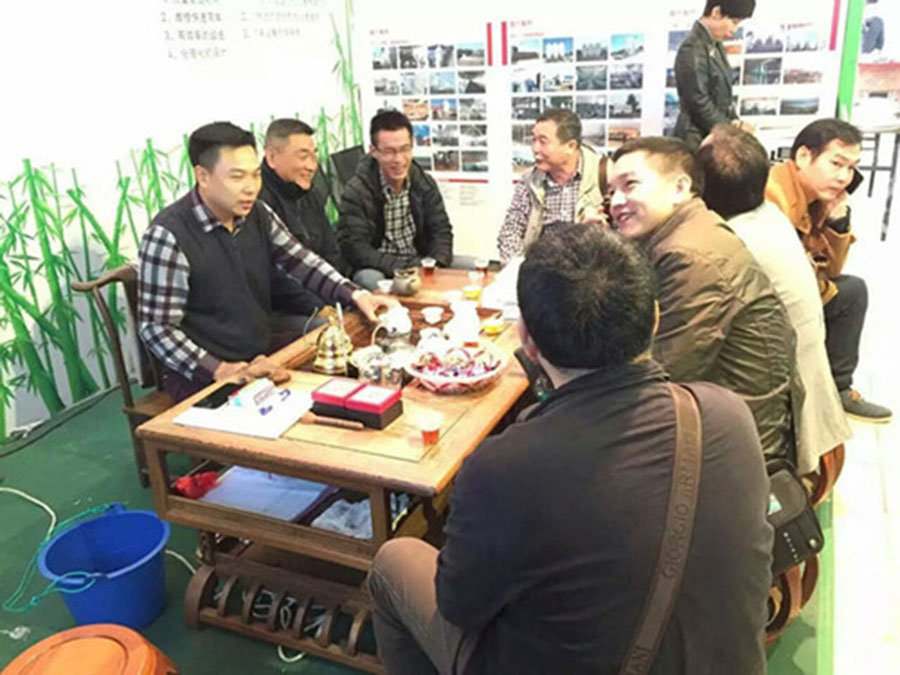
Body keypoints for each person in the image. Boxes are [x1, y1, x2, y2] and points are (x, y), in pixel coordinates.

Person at [367, 225, 773, 674]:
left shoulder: (501, 467)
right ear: (655, 318)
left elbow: (459, 605)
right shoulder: (726, 416)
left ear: (526, 339)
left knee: (393, 561)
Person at [138, 121, 392, 402]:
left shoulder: (257, 214)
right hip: (203, 376)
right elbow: (157, 328)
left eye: (255, 175)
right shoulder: (169, 235)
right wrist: (218, 369)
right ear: (203, 176)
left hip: (258, 355)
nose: (250, 188)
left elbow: (302, 261)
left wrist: (355, 294)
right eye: (237, 177)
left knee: (356, 376)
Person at [609, 136, 796, 461]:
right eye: (611, 191)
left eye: (630, 185)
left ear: (680, 188)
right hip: (725, 419)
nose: (615, 201)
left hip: (738, 450)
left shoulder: (690, 255)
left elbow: (662, 371)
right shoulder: (687, 229)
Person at [698, 124, 851, 475]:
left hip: (784, 427)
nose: (844, 177)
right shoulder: (769, 213)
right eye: (837, 163)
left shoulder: (729, 242)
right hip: (810, 402)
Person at [766, 118, 891, 422]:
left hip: (796, 288)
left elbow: (832, 269)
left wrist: (838, 221)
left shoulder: (816, 197)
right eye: (836, 164)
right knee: (847, 293)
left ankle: (838, 389)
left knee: (851, 290)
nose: (844, 177)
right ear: (804, 156)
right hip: (769, 301)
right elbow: (782, 272)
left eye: (851, 168)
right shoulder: (774, 196)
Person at [337, 110, 454, 289]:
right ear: (374, 151)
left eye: (404, 149)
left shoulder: (424, 183)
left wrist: (436, 264)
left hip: (419, 261)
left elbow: (441, 230)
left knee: (469, 267)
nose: (399, 159)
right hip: (380, 268)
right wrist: (406, 268)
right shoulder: (357, 191)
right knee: (369, 279)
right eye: (389, 152)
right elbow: (356, 249)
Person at [260, 118, 350, 321]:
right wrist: (317, 306)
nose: (312, 166)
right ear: (272, 157)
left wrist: (342, 293)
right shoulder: (259, 203)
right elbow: (274, 276)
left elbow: (331, 250)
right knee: (328, 329)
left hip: (321, 291)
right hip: (282, 308)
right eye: (303, 156)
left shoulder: (308, 191)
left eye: (314, 155)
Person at [496, 108, 607, 263]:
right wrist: (519, 269)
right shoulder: (529, 182)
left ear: (570, 146)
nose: (535, 149)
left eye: (543, 142)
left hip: (587, 270)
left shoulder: (603, 174)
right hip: (540, 269)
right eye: (533, 140)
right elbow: (510, 232)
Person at [673, 1, 756, 150]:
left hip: (711, 134)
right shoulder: (692, 48)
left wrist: (736, 123)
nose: (734, 30)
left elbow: (722, 97)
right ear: (716, 12)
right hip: (696, 139)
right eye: (734, 22)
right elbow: (698, 102)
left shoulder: (714, 44)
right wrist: (730, 129)